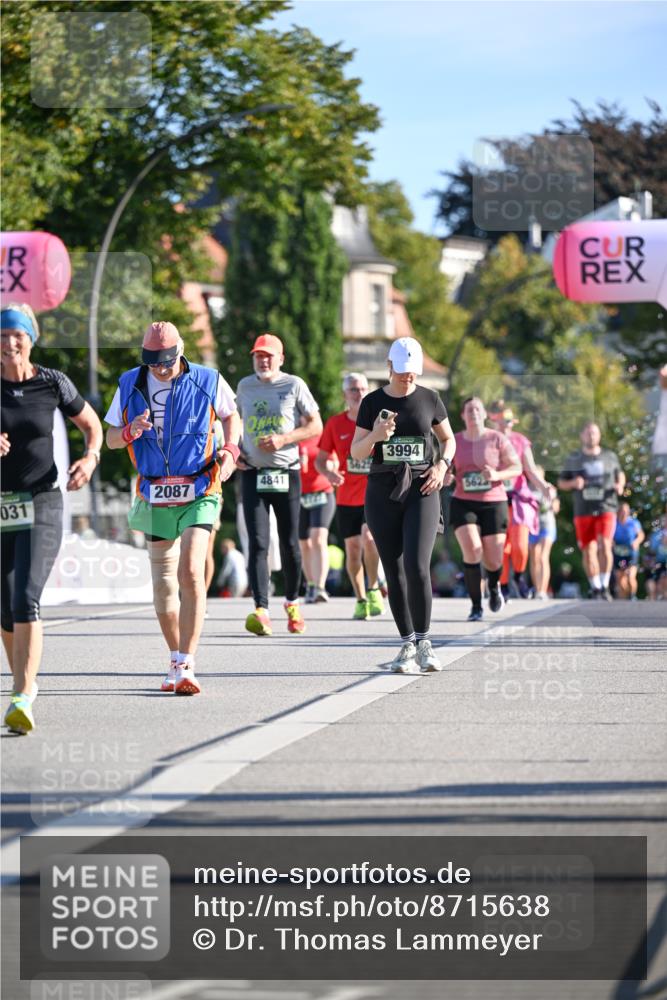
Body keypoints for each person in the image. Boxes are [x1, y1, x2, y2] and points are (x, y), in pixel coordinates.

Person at [105, 321, 240, 694]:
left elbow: (231, 416)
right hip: (154, 491)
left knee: (191, 571)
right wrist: (130, 430)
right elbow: (111, 438)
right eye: (153, 363)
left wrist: (230, 450)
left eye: (165, 362)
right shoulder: (130, 383)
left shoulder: (208, 379)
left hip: (200, 486)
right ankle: (175, 659)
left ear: (180, 352)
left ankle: (187, 663)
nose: (160, 370)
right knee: (163, 583)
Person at [1, 302, 103, 733]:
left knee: (26, 595)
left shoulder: (52, 382)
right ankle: (22, 684)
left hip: (43, 499)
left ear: (31, 338)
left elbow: (92, 425)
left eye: (17, 335)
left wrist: (90, 458)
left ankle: (23, 693)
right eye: (2, 336)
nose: (9, 343)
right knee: (5, 605)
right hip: (2, 506)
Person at [350, 337, 455, 673]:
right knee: (393, 571)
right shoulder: (372, 402)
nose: (407, 377)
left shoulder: (430, 398)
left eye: (412, 372)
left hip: (423, 487)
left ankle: (425, 643)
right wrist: (376, 435)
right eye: (402, 371)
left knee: (417, 566)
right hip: (383, 491)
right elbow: (356, 452)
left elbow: (448, 439)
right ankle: (407, 644)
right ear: (389, 366)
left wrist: (442, 465)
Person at [236, 333, 322, 636]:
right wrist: (234, 451)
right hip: (253, 472)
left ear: (280, 359)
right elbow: (234, 422)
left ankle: (292, 603)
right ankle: (261, 610)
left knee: (289, 542)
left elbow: (315, 425)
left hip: (286, 472)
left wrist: (284, 439)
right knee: (258, 543)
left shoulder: (294, 384)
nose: (263, 361)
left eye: (269, 356)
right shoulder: (244, 386)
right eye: (258, 356)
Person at [315, 372, 385, 620]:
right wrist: (329, 474)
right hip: (346, 498)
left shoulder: (379, 422)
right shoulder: (335, 424)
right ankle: (360, 598)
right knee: (353, 550)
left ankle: (373, 587)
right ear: (345, 394)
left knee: (370, 539)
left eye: (364, 389)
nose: (359, 394)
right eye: (354, 389)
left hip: (373, 495)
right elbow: (320, 460)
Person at [446, 396, 522, 622]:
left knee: (494, 560)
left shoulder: (497, 438)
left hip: (493, 502)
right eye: (469, 410)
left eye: (478, 409)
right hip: (463, 501)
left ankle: (494, 585)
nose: (474, 413)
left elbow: (516, 467)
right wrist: (447, 476)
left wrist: (497, 474)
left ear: (485, 414)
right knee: (473, 550)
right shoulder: (454, 441)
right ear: (463, 415)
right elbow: (445, 468)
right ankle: (476, 605)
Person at [487, 401, 555, 600]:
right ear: (494, 421)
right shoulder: (488, 440)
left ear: (513, 422)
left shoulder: (520, 441)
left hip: (519, 500)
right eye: (501, 419)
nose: (505, 424)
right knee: (501, 547)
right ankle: (504, 585)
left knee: (520, 546)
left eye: (508, 420)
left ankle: (518, 575)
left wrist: (544, 486)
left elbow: (531, 470)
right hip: (496, 498)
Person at [558, 422, 625, 600]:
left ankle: (605, 585)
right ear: (582, 436)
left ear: (599, 435)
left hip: (606, 506)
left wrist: (620, 484)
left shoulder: (610, 456)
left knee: (605, 544)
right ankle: (595, 587)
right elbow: (561, 482)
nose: (591, 436)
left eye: (594, 433)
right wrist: (573, 483)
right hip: (583, 509)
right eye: (588, 433)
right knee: (588, 550)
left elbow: (620, 474)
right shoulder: (574, 459)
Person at [298, 433, 335, 603]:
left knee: (318, 538)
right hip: (299, 496)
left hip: (322, 493)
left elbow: (334, 461)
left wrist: (330, 466)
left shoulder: (322, 436)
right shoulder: (292, 436)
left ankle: (320, 587)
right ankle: (311, 585)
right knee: (304, 543)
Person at [528, 464, 560, 600]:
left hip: (547, 524)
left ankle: (543, 590)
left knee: (543, 556)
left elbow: (556, 507)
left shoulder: (549, 488)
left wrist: (553, 503)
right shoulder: (526, 488)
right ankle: (537, 589)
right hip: (532, 526)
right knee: (534, 558)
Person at [612, 503, 644, 600]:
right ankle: (625, 598)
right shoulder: (614, 523)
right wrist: (612, 542)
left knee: (630, 576)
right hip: (618, 553)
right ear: (618, 512)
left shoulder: (634, 523)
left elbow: (641, 535)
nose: (624, 513)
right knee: (620, 579)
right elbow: (609, 537)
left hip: (631, 553)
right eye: (622, 511)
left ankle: (633, 596)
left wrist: (636, 542)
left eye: (626, 511)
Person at [646, 511, 667, 601]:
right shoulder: (655, 535)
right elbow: (651, 552)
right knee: (651, 580)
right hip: (657, 562)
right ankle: (654, 599)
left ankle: (663, 596)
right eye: (664, 520)